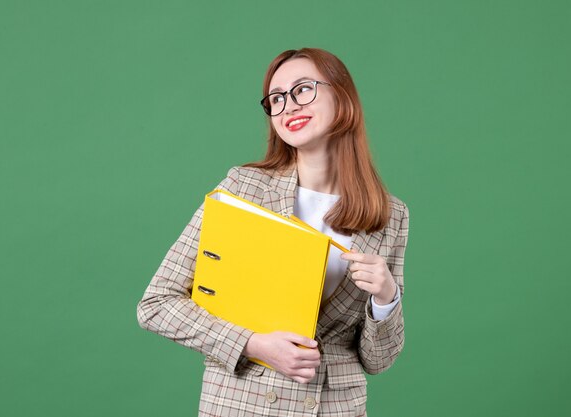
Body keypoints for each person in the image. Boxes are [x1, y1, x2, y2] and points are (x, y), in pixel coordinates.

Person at [137, 47, 410, 417]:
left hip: (334, 408)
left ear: (342, 96)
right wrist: (252, 344)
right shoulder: (242, 188)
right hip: (243, 405)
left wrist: (386, 298)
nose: (289, 106)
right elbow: (157, 304)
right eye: (277, 98)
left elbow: (378, 361)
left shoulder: (390, 215)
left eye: (303, 89)